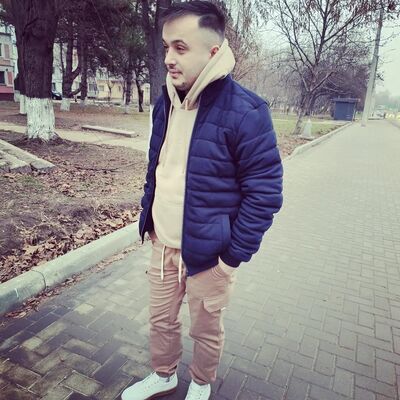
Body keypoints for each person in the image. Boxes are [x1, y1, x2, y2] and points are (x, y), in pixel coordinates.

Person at [121, 1, 283, 399]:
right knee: (161, 322)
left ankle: (201, 382)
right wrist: (149, 219)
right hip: (163, 244)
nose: (168, 58)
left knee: (206, 329)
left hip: (211, 255)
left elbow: (264, 194)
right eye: (166, 47)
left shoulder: (247, 111)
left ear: (213, 52)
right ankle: (164, 375)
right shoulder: (165, 103)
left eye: (180, 47)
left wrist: (231, 258)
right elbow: (158, 167)